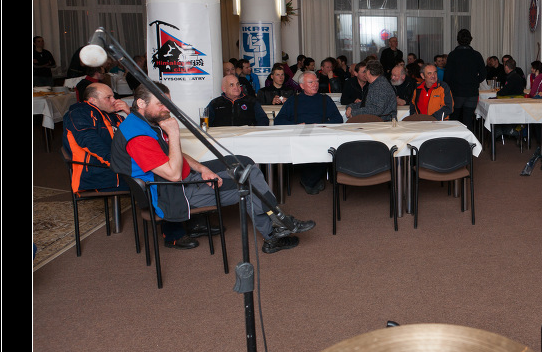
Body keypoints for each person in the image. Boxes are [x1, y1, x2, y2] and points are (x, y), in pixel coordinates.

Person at [111, 83, 314, 253]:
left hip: (184, 179)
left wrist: (201, 169)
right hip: (173, 194)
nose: (167, 108)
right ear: (140, 103)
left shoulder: (146, 122)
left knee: (245, 162)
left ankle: (278, 219)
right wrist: (174, 134)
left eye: (168, 102)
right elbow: (172, 174)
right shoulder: (138, 136)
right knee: (249, 186)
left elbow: (173, 155)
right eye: (161, 103)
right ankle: (273, 234)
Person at [274, 70, 343, 194]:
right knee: (306, 148)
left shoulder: (324, 99)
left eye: (316, 81)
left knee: (324, 148)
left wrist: (323, 125)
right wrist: (296, 125)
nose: (315, 84)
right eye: (311, 82)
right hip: (300, 136)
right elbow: (278, 121)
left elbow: (338, 119)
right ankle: (312, 181)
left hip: (320, 135)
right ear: (301, 86)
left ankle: (309, 181)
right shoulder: (293, 100)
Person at [62, 83, 130, 192]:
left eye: (113, 96)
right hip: (97, 175)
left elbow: (137, 136)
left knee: (157, 175)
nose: (114, 100)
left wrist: (130, 113)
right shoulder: (80, 113)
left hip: (116, 169)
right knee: (154, 182)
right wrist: (119, 164)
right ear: (92, 101)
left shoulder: (113, 116)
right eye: (108, 97)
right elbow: (91, 142)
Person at [443, 29, 486, 130]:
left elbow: (447, 76)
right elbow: (483, 74)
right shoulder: (476, 55)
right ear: (470, 39)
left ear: (458, 40)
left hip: (456, 92)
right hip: (472, 92)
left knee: (454, 118)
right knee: (468, 120)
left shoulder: (453, 55)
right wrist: (475, 81)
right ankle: (468, 143)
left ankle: (454, 142)